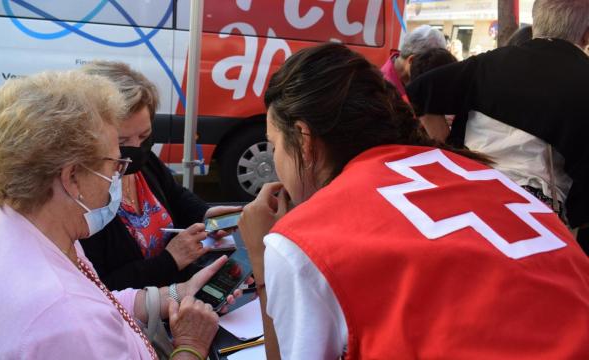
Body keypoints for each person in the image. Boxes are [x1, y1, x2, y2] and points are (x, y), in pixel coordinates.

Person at [238, 43, 589, 359]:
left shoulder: (302, 241)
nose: (276, 161)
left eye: (274, 143)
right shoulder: (477, 172)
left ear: (304, 139)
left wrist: (262, 256)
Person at [0, 71, 239, 359]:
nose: (121, 173)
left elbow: (101, 298)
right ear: (72, 177)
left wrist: (177, 294)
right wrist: (191, 344)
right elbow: (81, 314)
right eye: (115, 163)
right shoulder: (67, 322)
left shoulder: (24, 223)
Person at [407, 0, 589, 233]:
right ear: (586, 34)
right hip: (534, 220)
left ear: (536, 23)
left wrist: (444, 147)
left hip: (465, 196)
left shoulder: (487, 63)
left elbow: (421, 91)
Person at [79, 61, 240, 291]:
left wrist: (206, 215)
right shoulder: (82, 200)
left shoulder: (145, 164)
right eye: (122, 142)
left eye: (144, 135)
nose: (136, 148)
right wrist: (170, 260)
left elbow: (175, 195)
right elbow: (100, 287)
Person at [380, 24, 446, 100]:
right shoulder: (383, 90)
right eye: (429, 67)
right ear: (412, 61)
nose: (430, 74)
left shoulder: (408, 77)